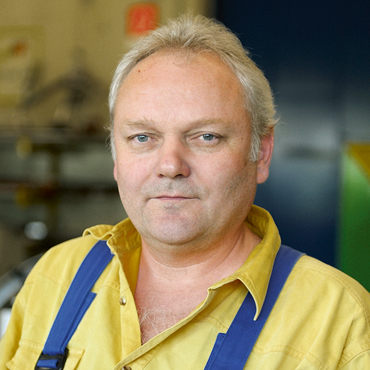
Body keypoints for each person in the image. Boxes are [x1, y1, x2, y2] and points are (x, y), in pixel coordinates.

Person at [1, 15, 370, 370]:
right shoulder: (57, 276)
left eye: (206, 136)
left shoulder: (340, 324)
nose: (170, 164)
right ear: (115, 157)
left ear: (261, 153)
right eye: (143, 137)